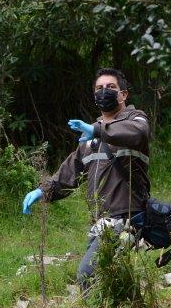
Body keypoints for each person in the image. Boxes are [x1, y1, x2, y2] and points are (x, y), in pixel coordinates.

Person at [21, 68, 151, 290]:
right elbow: (70, 172)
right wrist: (43, 191)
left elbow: (137, 133)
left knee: (87, 275)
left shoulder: (135, 119)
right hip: (101, 221)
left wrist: (98, 129)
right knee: (111, 279)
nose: (104, 92)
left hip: (127, 217)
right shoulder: (88, 138)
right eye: (99, 88)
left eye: (111, 87)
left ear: (124, 94)